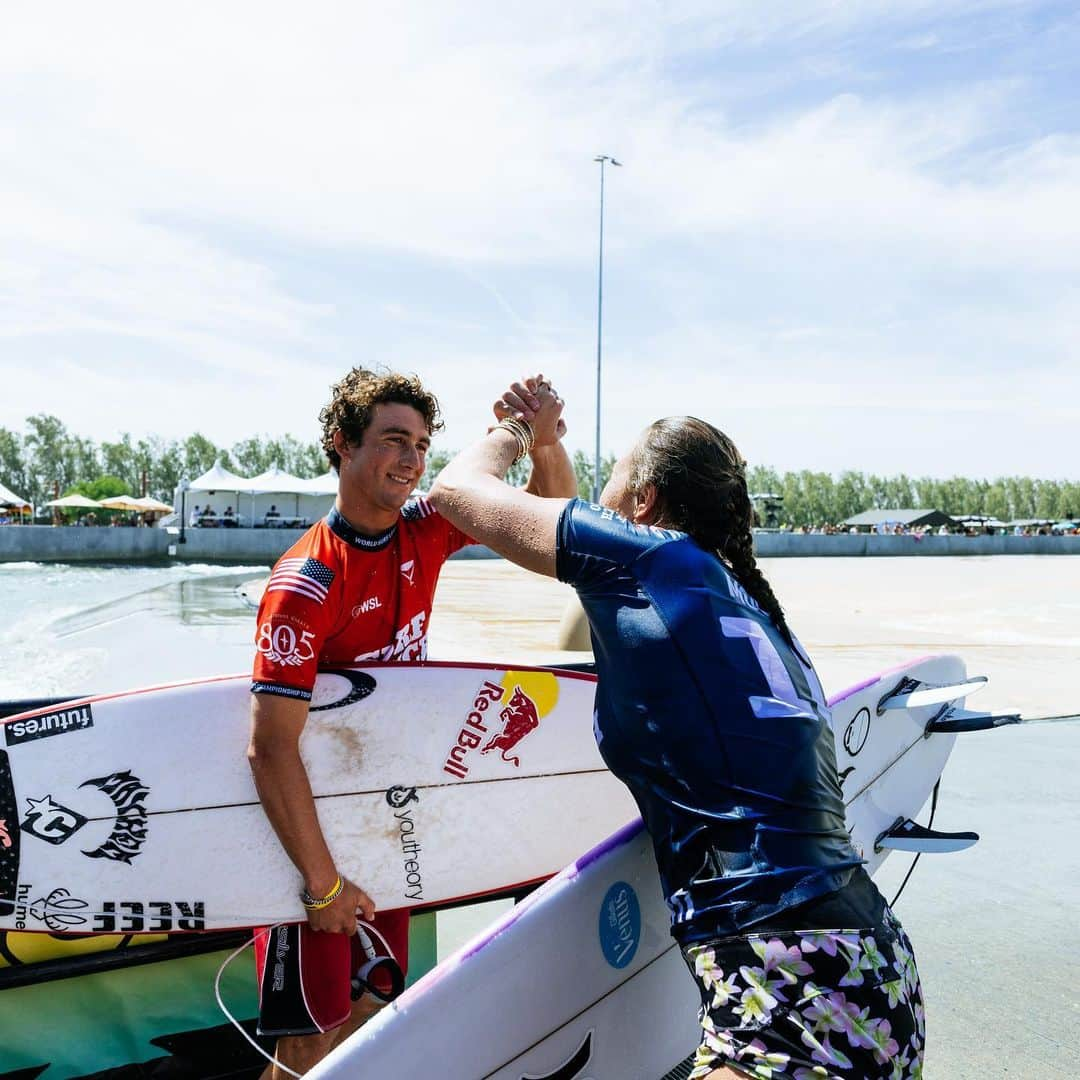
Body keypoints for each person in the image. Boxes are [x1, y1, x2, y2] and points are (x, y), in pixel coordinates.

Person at [429, 387, 924, 1080]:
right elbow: (556, 523)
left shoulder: (647, 562)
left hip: (784, 979)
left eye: (618, 478)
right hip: (870, 967)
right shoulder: (736, 604)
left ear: (645, 500)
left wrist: (514, 428)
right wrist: (548, 445)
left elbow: (457, 490)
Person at [247, 367, 575, 1077]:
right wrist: (322, 884)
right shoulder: (305, 584)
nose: (413, 461)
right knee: (306, 1039)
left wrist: (542, 438)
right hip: (308, 843)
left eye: (422, 445)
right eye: (395, 440)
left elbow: (551, 517)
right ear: (342, 445)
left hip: (388, 827)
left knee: (373, 1013)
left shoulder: (426, 530)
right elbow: (269, 748)